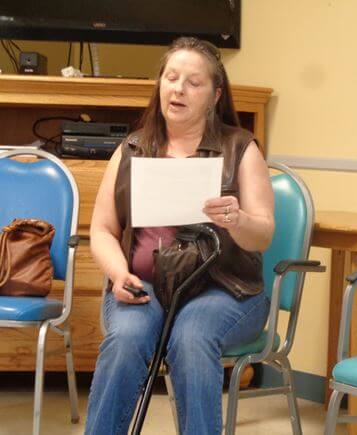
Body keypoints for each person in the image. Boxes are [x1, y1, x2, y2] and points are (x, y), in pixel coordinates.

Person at [86, 37, 275, 435]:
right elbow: (102, 230)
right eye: (171, 78)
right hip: (145, 286)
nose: (178, 89)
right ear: (159, 85)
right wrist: (119, 274)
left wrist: (237, 219)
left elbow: (262, 236)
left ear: (215, 95)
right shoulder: (132, 149)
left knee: (192, 336)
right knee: (126, 338)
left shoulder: (240, 148)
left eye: (193, 82)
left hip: (226, 289)